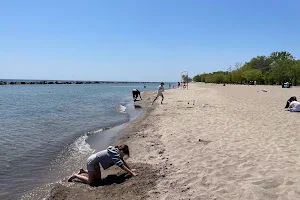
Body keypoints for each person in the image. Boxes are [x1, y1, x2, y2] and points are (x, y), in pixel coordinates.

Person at [68, 145, 137, 185]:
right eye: (124, 154)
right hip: (91, 161)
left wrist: (130, 170)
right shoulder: (115, 154)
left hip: (95, 161)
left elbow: (122, 161)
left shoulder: (115, 151)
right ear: (121, 151)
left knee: (98, 180)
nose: (123, 156)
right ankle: (75, 175)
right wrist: (131, 173)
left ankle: (83, 171)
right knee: (90, 182)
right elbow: (121, 165)